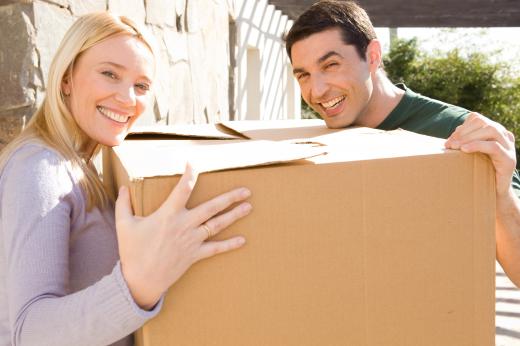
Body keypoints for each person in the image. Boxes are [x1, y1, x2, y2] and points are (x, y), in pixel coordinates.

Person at [0, 12, 252, 346]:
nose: (128, 98)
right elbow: (30, 333)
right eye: (109, 74)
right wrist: (139, 285)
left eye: (142, 85)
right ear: (66, 79)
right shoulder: (40, 167)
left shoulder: (86, 163)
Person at [284, 0, 520, 286]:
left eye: (331, 65)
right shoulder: (313, 142)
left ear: (372, 57)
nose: (317, 91)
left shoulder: (453, 132)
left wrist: (502, 197)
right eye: (304, 75)